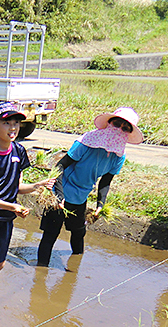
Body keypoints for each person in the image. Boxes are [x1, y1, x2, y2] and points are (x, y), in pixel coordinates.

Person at [0, 102, 54, 307]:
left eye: (16, 123)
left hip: (6, 219)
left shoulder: (19, 151)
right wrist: (14, 207)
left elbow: (17, 186)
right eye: (7, 123)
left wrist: (37, 186)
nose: (12, 127)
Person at [37, 107, 143, 267]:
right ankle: (40, 273)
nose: (120, 129)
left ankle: (75, 264)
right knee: (51, 234)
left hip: (81, 196)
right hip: (61, 190)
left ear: (128, 133)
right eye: (117, 123)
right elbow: (60, 166)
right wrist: (58, 196)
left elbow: (106, 182)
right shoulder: (86, 142)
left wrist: (100, 204)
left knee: (79, 232)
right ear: (109, 123)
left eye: (125, 127)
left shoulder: (118, 156)